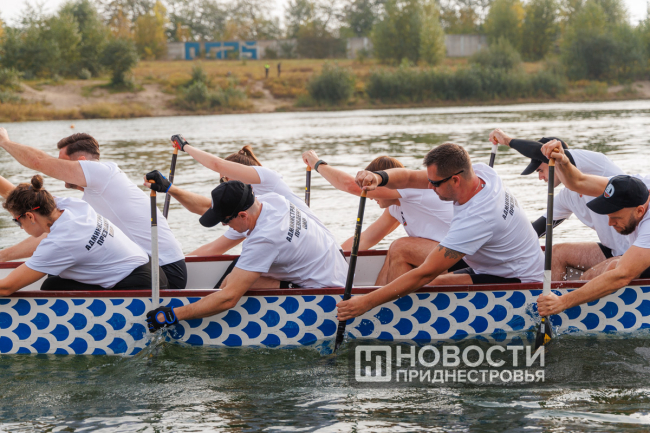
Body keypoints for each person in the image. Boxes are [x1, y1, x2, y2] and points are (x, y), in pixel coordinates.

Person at [336, 142, 544, 321]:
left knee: (421, 282)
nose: (429, 187)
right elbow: (408, 177)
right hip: (495, 266)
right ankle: (386, 312)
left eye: (435, 184)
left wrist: (365, 303)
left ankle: (385, 319)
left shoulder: (477, 218)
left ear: (455, 180)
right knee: (421, 286)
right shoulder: (481, 172)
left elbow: (425, 273)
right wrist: (378, 177)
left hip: (519, 280)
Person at [144, 181, 348, 332]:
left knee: (229, 286)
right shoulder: (271, 201)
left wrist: (172, 314)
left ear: (242, 215)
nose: (224, 225)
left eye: (225, 221)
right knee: (236, 271)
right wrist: (170, 188)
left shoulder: (264, 239)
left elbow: (228, 299)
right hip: (340, 271)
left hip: (327, 296)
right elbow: (209, 220)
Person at [0, 128, 187, 290]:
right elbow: (27, 203)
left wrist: (4, 142)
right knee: (57, 272)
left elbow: (39, 161)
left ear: (83, 162)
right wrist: (3, 256)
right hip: (148, 267)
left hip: (164, 271)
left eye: (62, 162)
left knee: (53, 282)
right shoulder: (80, 205)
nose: (57, 168)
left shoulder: (103, 174)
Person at [302, 150, 465, 285]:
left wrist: (317, 163)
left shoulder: (410, 189)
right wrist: (323, 261)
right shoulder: (395, 208)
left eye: (372, 185)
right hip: (443, 258)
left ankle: (393, 308)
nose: (370, 197)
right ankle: (376, 304)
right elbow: (364, 239)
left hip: (463, 258)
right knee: (392, 255)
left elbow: (350, 185)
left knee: (400, 248)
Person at [490, 129, 627, 280]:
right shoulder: (567, 196)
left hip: (637, 250)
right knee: (555, 253)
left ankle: (569, 295)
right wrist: (494, 246)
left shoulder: (596, 163)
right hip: (613, 251)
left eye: (540, 170)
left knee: (586, 280)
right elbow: (534, 231)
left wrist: (507, 140)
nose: (540, 177)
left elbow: (549, 153)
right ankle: (551, 295)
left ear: (552, 159)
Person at [537, 140, 650, 317]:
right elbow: (578, 181)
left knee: (610, 269)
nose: (610, 223)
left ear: (640, 210)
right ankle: (550, 308)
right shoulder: (632, 185)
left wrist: (563, 302)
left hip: (637, 260)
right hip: (631, 251)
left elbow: (623, 275)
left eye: (616, 217)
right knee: (556, 253)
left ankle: (567, 310)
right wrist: (563, 161)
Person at [0, 175, 166, 295]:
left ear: (30, 217)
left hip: (141, 288)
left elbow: (5, 288)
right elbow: (25, 197)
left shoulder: (60, 242)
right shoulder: (70, 205)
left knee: (51, 286)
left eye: (17, 221)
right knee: (55, 273)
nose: (20, 227)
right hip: (155, 272)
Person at [151, 142, 321, 257]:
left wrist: (184, 145)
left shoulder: (268, 179)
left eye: (224, 179)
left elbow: (217, 164)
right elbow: (212, 247)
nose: (223, 184)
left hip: (314, 245)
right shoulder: (243, 214)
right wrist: (170, 189)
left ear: (239, 172)